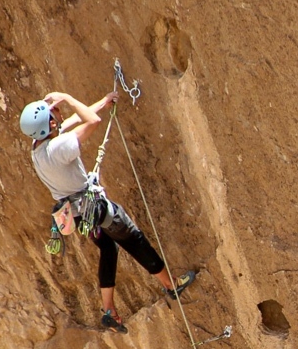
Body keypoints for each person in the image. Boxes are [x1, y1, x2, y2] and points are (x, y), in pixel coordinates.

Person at [20, 90, 195, 333]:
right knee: (134, 239)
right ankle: (171, 285)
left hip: (80, 217)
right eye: (54, 112)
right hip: (98, 210)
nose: (59, 111)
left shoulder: (38, 147)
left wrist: (102, 102)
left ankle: (109, 311)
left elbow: (73, 121)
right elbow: (92, 122)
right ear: (49, 123)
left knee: (108, 248)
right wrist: (69, 98)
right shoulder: (59, 147)